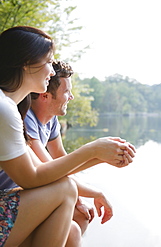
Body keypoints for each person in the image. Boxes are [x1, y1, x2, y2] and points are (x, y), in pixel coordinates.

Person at [0, 26, 136, 247]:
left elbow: (43, 169)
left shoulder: (10, 109)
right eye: (47, 62)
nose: (51, 71)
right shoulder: (4, 110)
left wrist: (103, 154)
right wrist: (94, 150)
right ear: (26, 63)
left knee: (72, 230)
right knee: (65, 189)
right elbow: (32, 178)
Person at [24, 60, 111, 247]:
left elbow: (63, 160)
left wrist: (78, 199)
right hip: (10, 194)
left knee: (82, 214)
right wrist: (96, 191)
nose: (71, 97)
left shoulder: (51, 120)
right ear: (45, 96)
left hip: (28, 191)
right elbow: (49, 169)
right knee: (71, 231)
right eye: (66, 92)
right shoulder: (26, 118)